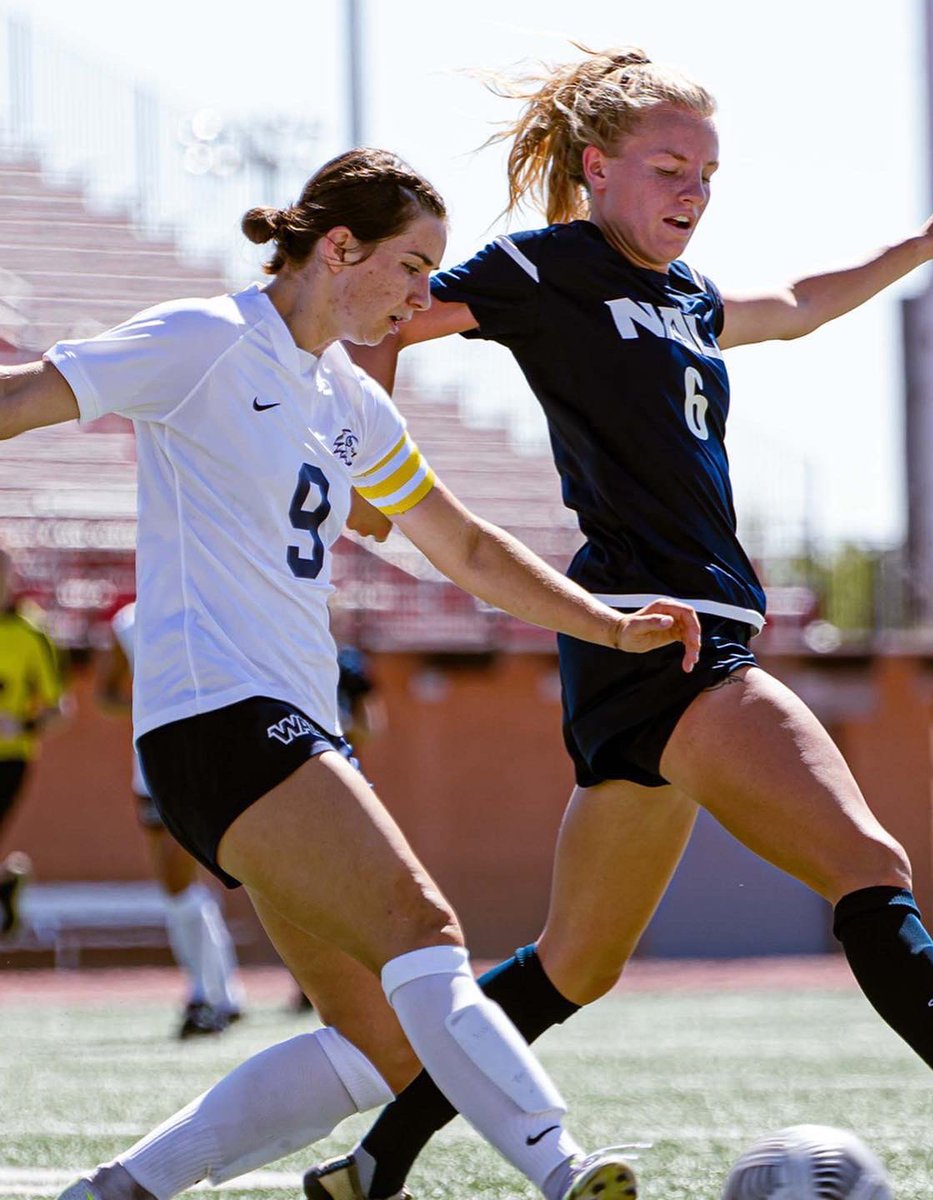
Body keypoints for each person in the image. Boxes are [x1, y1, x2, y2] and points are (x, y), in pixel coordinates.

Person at [308, 48, 933, 1200]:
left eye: (708, 172)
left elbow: (798, 308)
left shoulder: (686, 293)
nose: (693, 192)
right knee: (869, 861)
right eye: (669, 168)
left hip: (636, 648)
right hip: (675, 636)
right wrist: (373, 466)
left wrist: (922, 243)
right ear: (597, 169)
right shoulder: (546, 267)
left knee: (572, 965)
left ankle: (373, 1159)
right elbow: (385, 318)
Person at [0, 146, 703, 1200]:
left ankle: (115, 1193)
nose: (426, 295)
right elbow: (21, 402)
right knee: (426, 934)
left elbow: (460, 547)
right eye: (414, 266)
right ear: (340, 249)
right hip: (220, 720)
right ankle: (562, 1169)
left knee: (382, 1045)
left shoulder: (348, 401)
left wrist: (603, 623)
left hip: (283, 731)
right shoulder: (204, 339)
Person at [97, 600, 246, 1037]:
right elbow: (105, 695)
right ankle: (217, 991)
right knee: (176, 885)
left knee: (198, 879)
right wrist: (152, 705)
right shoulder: (129, 623)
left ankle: (211, 993)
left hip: (208, 761)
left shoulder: (214, 605)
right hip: (152, 766)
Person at [0, 546, 66, 936]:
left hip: (9, 758)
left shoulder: (32, 631)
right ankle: (5, 886)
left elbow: (59, 709)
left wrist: (21, 727)